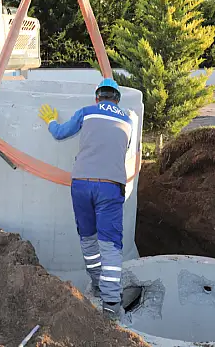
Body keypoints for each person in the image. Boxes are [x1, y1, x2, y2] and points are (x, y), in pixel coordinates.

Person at [37, 79, 133, 321]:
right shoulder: (128, 120)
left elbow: (59, 134)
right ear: (117, 99)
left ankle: (98, 284)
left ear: (97, 97)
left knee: (88, 238)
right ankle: (111, 304)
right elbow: (125, 145)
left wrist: (50, 121)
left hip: (81, 184)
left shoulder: (86, 112)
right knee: (110, 244)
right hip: (110, 187)